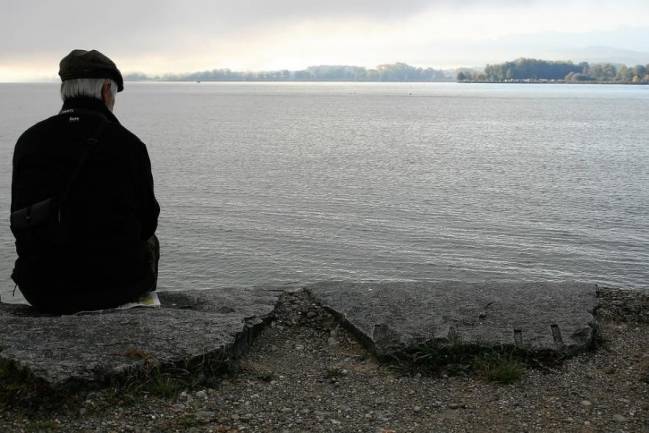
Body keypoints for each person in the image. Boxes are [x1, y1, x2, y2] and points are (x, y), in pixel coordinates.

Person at [10, 49, 160, 314]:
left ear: (65, 91)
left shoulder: (29, 141)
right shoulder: (128, 144)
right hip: (115, 287)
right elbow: (148, 221)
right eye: (114, 94)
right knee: (151, 242)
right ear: (105, 91)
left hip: (41, 288)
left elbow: (19, 220)